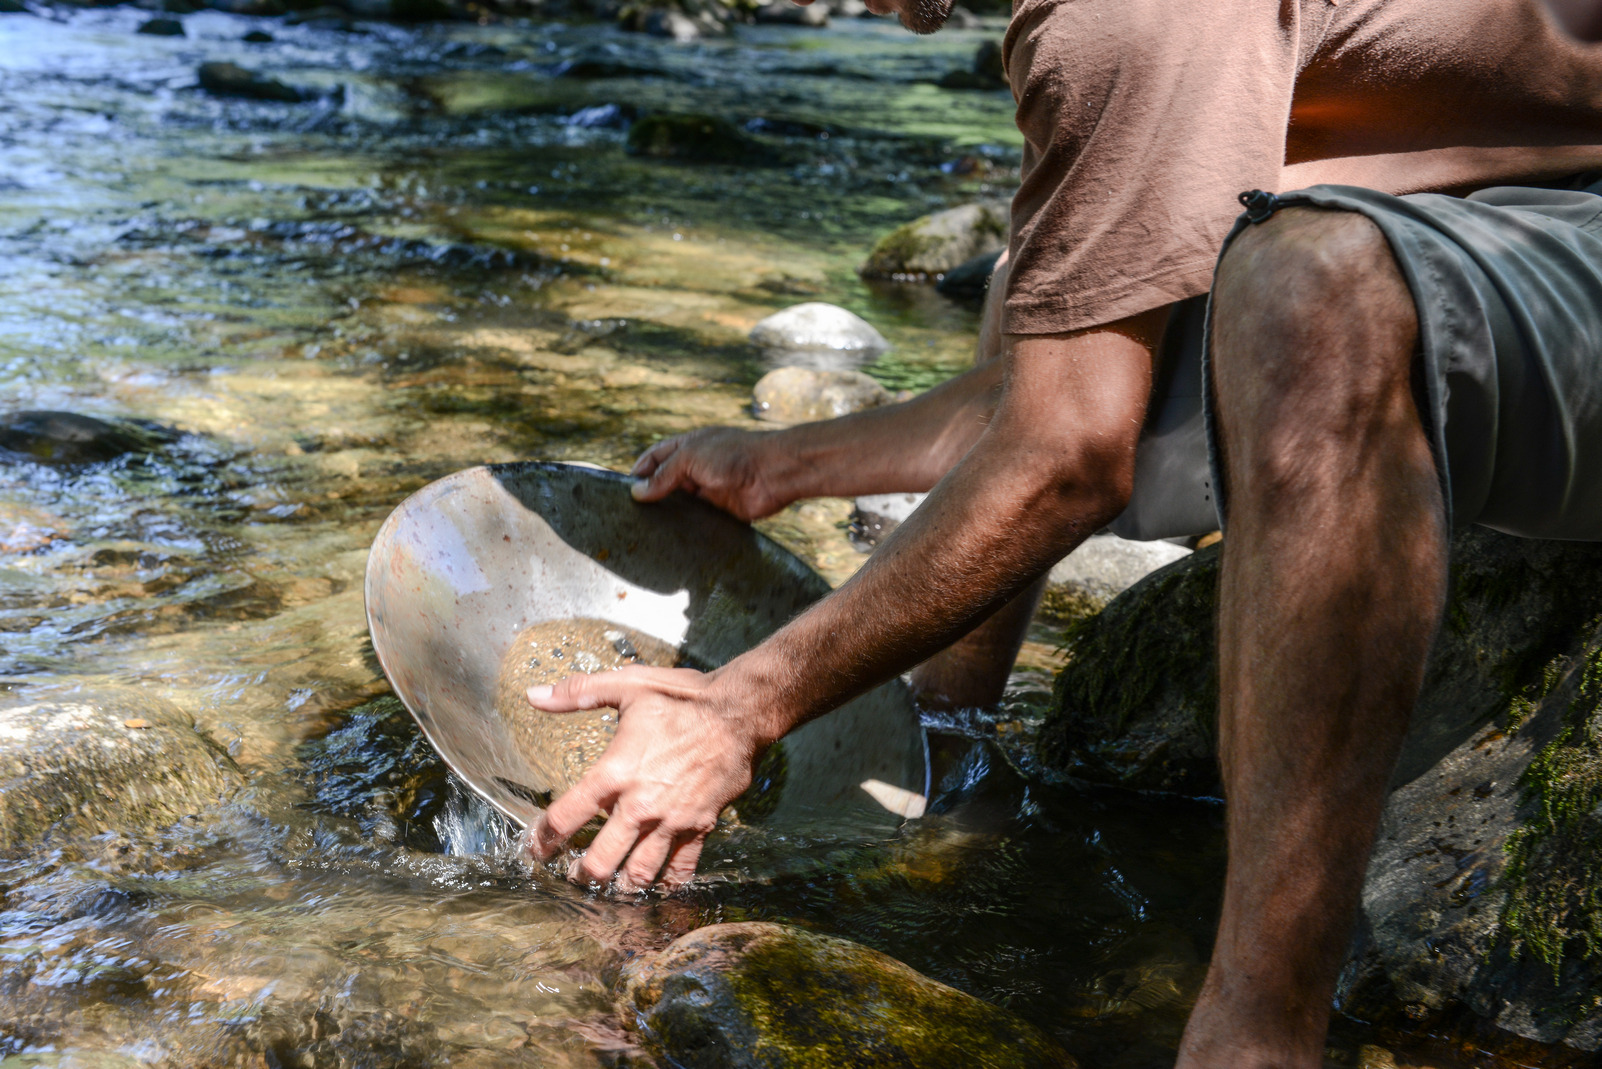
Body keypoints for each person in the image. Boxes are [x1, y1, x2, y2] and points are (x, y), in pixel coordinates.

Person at [522, 1, 1602, 1065]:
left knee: (1307, 285)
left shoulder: (1109, 16)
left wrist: (737, 709)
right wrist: (792, 463)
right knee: (1041, 278)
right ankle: (949, 750)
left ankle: (1258, 1028)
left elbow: (1070, 460)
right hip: (1508, 210)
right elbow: (1056, 386)